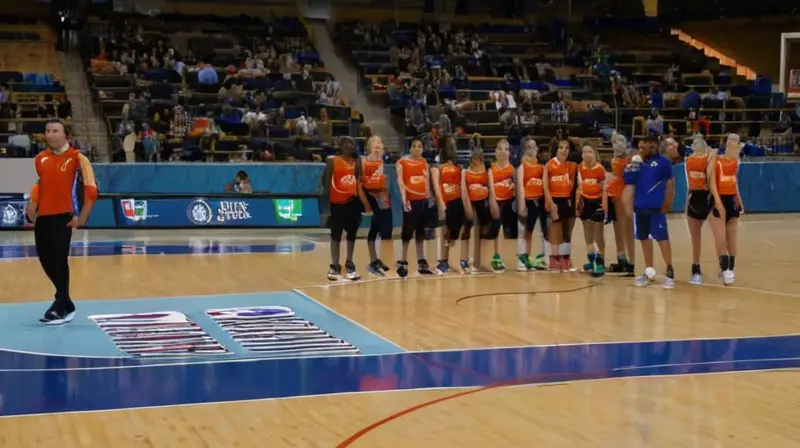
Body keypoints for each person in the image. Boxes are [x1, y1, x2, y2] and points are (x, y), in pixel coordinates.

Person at [26, 119, 98, 324]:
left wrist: (82, 216)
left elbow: (91, 189)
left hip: (64, 216)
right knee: (45, 259)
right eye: (47, 131)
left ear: (66, 135)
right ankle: (66, 303)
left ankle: (61, 304)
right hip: (44, 217)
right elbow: (40, 183)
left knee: (58, 259)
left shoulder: (78, 158)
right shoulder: (40, 159)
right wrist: (34, 200)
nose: (50, 134)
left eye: (55, 131)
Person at [622, 135, 675, 288]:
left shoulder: (664, 163)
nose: (647, 149)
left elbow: (670, 184)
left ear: (656, 147)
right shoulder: (637, 163)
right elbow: (628, 180)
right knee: (644, 238)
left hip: (656, 208)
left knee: (662, 238)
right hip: (640, 208)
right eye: (644, 146)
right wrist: (632, 164)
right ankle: (648, 270)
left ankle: (669, 270)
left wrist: (667, 202)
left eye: (651, 146)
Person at [396, 139, 439, 277]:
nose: (417, 149)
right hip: (410, 200)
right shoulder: (402, 162)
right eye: (414, 146)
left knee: (420, 231)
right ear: (410, 149)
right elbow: (400, 181)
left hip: (423, 200)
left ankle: (421, 260)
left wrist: (429, 197)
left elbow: (426, 181)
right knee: (407, 232)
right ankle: (403, 260)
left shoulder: (424, 162)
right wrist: (404, 199)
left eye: (420, 146)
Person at [322, 136, 363, 281]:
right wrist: (325, 207)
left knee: (351, 235)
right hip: (337, 203)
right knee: (336, 235)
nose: (350, 145)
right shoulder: (332, 160)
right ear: (340, 145)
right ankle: (335, 267)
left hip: (353, 203)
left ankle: (350, 264)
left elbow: (360, 183)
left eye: (353, 143)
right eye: (347, 143)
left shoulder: (357, 162)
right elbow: (325, 183)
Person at [709, 133, 744, 286]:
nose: (733, 145)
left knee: (732, 238)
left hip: (731, 199)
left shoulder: (736, 161)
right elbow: (712, 183)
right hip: (719, 199)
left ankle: (730, 267)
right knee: (721, 238)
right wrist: (717, 201)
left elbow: (734, 181)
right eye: (731, 142)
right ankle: (724, 269)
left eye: (736, 143)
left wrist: (738, 199)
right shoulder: (716, 159)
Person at [359, 136, 392, 276]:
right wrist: (366, 203)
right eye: (374, 142)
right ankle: (371, 262)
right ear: (369, 146)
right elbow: (360, 184)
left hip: (380, 196)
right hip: (367, 195)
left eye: (380, 142)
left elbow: (382, 182)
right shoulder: (363, 161)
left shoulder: (382, 161)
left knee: (382, 228)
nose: (377, 144)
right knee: (375, 227)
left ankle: (375, 259)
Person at [431, 136, 465, 274]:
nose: (452, 147)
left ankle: (455, 261)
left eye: (453, 145)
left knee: (455, 233)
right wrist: (441, 203)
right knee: (444, 232)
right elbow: (437, 187)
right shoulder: (438, 167)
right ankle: (442, 261)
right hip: (446, 202)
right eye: (450, 145)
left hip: (457, 201)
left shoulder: (458, 167)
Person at [461, 147, 497, 273]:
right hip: (470, 202)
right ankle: (465, 260)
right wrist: (467, 205)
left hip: (484, 202)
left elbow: (491, 188)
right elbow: (464, 189)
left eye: (478, 157)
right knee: (468, 230)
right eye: (473, 157)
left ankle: (481, 261)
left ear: (481, 158)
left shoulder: (488, 170)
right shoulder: (466, 170)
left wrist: (493, 202)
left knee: (484, 231)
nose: (475, 160)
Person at [543, 139, 577, 271]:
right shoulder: (550, 165)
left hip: (568, 200)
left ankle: (565, 257)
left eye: (566, 148)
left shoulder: (572, 166)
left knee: (567, 232)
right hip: (555, 200)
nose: (564, 150)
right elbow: (546, 187)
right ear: (556, 150)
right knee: (555, 230)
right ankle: (553, 257)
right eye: (561, 148)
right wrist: (551, 203)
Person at [684, 136, 714, 284]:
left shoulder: (709, 159)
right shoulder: (692, 160)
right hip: (696, 196)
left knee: (718, 233)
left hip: (707, 196)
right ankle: (696, 267)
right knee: (696, 237)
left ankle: (725, 266)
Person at [515, 138, 548, 271]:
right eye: (529, 146)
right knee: (525, 230)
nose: (531, 148)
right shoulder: (522, 166)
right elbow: (520, 186)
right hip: (528, 200)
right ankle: (522, 257)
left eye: (534, 146)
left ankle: (539, 258)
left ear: (537, 149)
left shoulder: (541, 167)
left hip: (540, 200)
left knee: (542, 230)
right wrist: (522, 204)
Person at [576, 143, 607, 277]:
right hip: (585, 202)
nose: (587, 154)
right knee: (587, 232)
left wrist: (604, 207)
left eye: (590, 152)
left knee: (598, 233)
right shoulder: (579, 168)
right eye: (584, 152)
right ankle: (591, 259)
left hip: (597, 202)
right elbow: (578, 187)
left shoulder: (600, 169)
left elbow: (604, 189)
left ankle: (600, 260)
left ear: (595, 154)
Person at [606, 133, 634, 275]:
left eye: (620, 141)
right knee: (617, 227)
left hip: (623, 194)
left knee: (624, 227)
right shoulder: (615, 158)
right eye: (615, 142)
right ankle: (621, 256)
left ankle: (629, 260)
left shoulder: (629, 160)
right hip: (613, 195)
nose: (617, 144)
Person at [487, 139, 516, 272]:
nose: (502, 152)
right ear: (495, 152)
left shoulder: (513, 169)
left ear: (509, 152)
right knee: (495, 230)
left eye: (505, 149)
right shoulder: (491, 168)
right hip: (495, 202)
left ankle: (520, 257)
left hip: (509, 201)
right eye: (500, 149)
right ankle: (495, 256)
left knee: (510, 231)